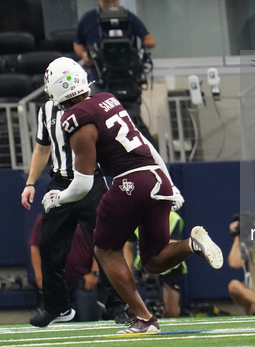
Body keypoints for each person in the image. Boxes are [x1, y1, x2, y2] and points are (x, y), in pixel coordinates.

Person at [41, 57, 223, 334]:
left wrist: (58, 198)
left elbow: (82, 184)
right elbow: (146, 144)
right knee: (153, 260)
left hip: (130, 182)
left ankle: (144, 319)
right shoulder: (107, 100)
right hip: (157, 177)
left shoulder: (75, 119)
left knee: (105, 249)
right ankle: (191, 245)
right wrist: (171, 185)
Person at [21, 92, 128, 328]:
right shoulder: (47, 110)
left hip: (91, 180)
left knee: (105, 245)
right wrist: (30, 183)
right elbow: (42, 148)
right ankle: (57, 306)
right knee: (48, 244)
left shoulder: (94, 106)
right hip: (60, 181)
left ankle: (118, 306)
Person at [73, 0, 155, 82]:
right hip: (99, 73)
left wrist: (144, 47)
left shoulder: (128, 17)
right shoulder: (88, 19)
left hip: (128, 73)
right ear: (99, 0)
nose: (111, 5)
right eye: (107, 2)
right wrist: (84, 55)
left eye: (114, 1)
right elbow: (77, 43)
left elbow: (148, 38)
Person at [29, 214, 101, 322]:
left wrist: (94, 273)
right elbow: (35, 247)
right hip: (55, 283)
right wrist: (39, 276)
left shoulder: (86, 216)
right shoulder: (46, 218)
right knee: (56, 324)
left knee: (88, 320)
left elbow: (98, 244)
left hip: (82, 281)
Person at [125, 211, 187, 318]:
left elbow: (172, 247)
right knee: (135, 305)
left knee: (172, 310)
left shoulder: (173, 218)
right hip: (145, 264)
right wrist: (128, 271)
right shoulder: (135, 218)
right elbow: (127, 247)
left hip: (171, 264)